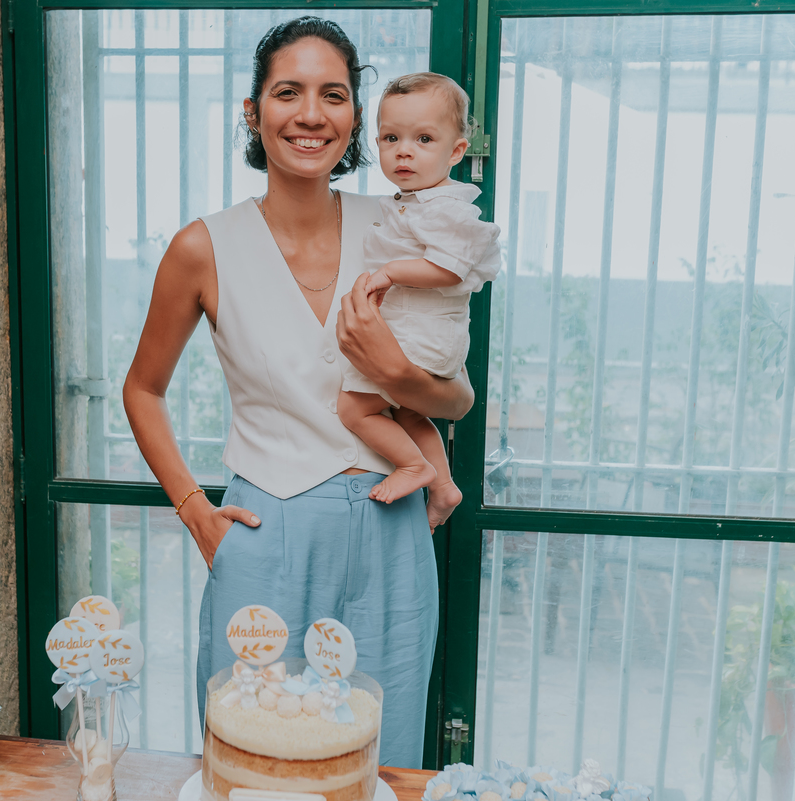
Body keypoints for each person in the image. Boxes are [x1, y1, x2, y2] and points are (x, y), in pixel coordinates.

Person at [122, 17, 473, 768]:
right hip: (263, 530)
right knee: (254, 759)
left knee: (379, 760)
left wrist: (400, 372)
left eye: (334, 94)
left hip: (392, 530)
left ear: (354, 117)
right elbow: (142, 390)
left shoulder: (403, 227)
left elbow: (457, 400)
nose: (311, 114)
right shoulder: (202, 246)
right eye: (288, 92)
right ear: (254, 112)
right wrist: (196, 512)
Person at [338, 73, 500, 531]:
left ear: (456, 152)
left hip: (421, 336)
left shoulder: (445, 208)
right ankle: (444, 486)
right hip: (425, 335)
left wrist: (389, 271)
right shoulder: (414, 202)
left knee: (355, 408)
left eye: (423, 139)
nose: (403, 150)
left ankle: (414, 467)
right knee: (407, 411)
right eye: (391, 138)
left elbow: (449, 268)